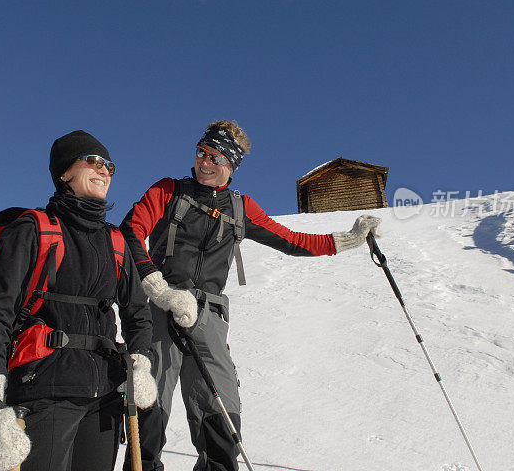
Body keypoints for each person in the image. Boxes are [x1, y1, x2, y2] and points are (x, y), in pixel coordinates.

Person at [120, 120, 382, 471]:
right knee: (150, 403)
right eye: (201, 152)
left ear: (231, 165)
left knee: (221, 412)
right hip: (162, 309)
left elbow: (293, 241)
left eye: (215, 157)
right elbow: (131, 231)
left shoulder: (241, 208)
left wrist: (350, 239)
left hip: (208, 316)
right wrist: (157, 287)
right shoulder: (169, 191)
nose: (204, 162)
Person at [0, 130, 158, 471]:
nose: (105, 171)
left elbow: (137, 312)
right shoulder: (33, 230)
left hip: (105, 394)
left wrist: (140, 363)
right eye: (94, 161)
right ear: (65, 172)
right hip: (45, 388)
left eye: (110, 166)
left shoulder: (115, 241)